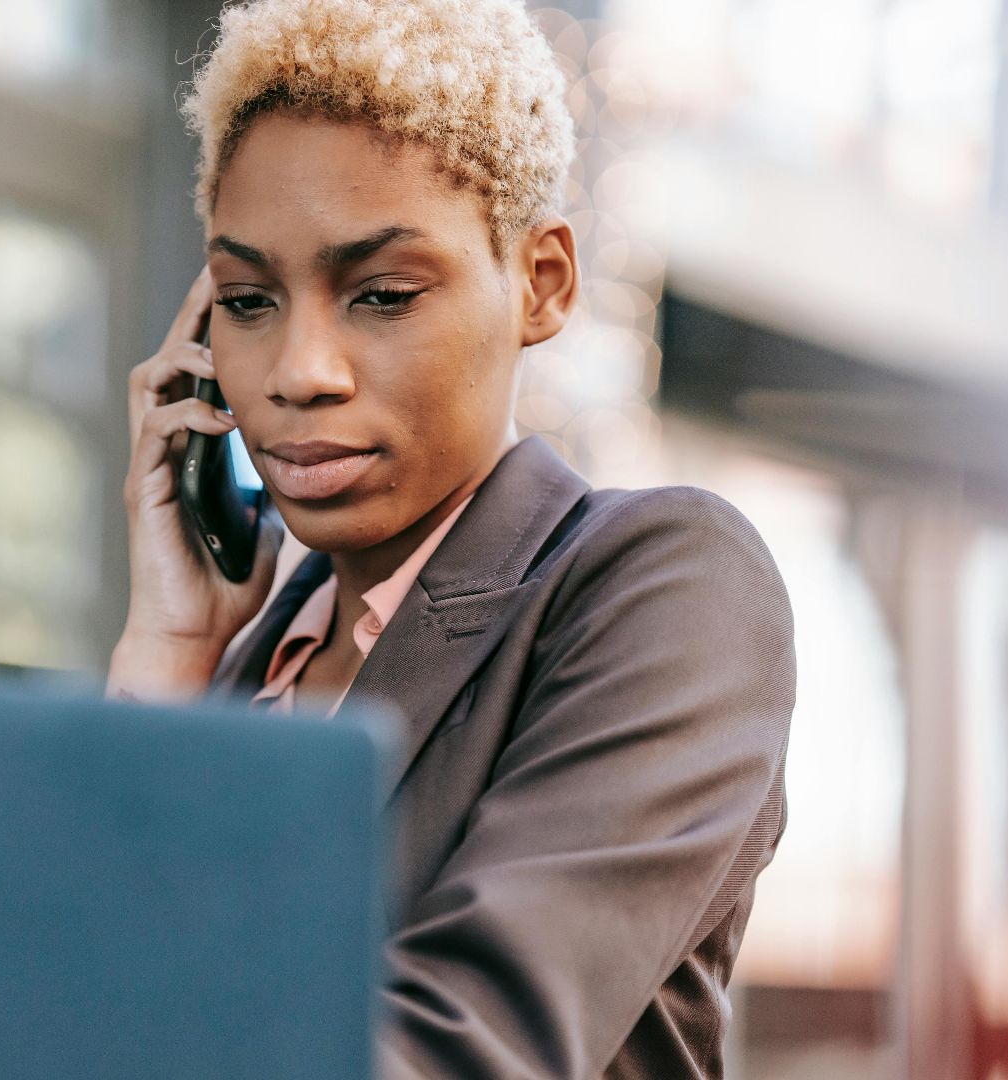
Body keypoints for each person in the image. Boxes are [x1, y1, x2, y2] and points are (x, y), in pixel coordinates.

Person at [105, 1, 795, 1076]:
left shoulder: (663, 586)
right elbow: (70, 978)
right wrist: (168, 650)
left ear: (542, 283)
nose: (300, 371)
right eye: (248, 300)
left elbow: (463, 1048)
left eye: (380, 295)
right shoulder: (235, 677)